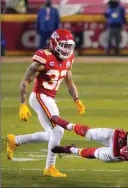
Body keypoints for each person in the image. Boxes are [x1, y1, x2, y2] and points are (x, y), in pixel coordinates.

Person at [6, 28, 86, 178]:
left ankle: (15, 140)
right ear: (55, 43)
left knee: (52, 134)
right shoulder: (44, 58)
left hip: (49, 98)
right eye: (64, 45)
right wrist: (22, 104)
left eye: (69, 46)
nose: (67, 49)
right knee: (59, 131)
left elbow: (69, 82)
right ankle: (49, 167)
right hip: (40, 96)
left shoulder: (68, 59)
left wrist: (77, 99)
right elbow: (25, 81)